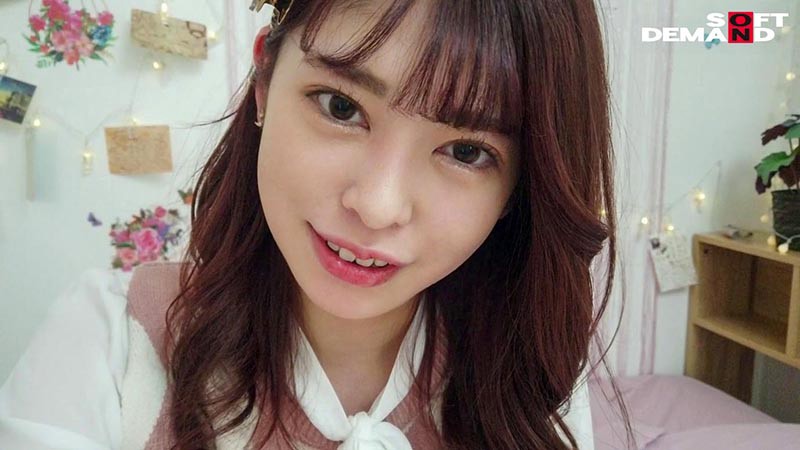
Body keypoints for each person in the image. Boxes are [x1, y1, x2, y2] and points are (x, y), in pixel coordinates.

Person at [0, 0, 632, 448]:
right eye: (341, 107)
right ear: (264, 81)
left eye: (466, 152)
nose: (378, 205)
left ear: (521, 186)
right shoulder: (110, 342)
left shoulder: (529, 374)